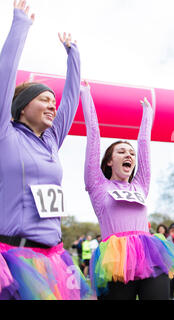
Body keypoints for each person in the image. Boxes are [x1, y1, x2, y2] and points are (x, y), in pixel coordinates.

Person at [0, 1, 92, 300]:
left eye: (53, 100)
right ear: (23, 106)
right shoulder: (6, 135)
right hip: (15, 257)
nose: (53, 104)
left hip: (54, 258)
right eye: (44, 99)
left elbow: (70, 100)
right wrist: (20, 26)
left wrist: (73, 54)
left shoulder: (52, 140)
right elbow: (4, 79)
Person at [80, 82, 174, 300]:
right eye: (121, 152)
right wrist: (86, 96)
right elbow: (94, 136)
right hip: (115, 262)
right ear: (109, 161)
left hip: (149, 254)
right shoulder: (98, 185)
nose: (129, 155)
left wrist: (147, 113)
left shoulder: (140, 185)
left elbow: (144, 144)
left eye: (131, 153)